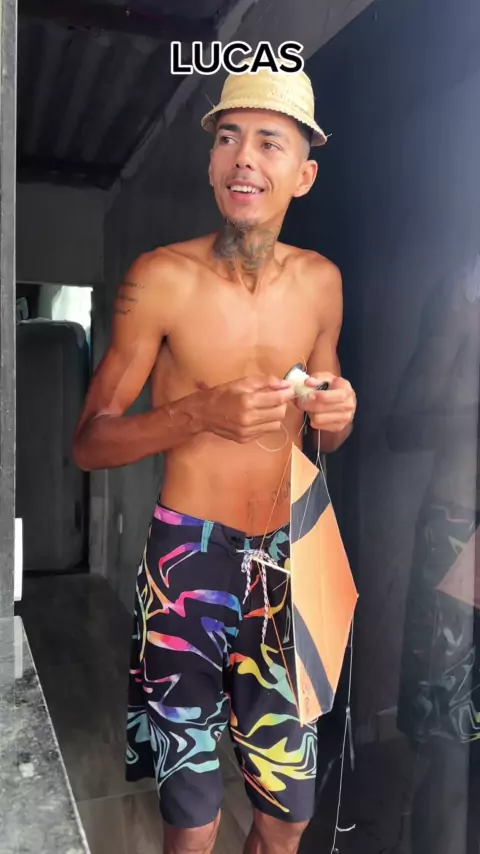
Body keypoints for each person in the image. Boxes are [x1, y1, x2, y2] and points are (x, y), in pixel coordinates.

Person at [73, 60, 357, 854]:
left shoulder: (322, 284)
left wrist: (339, 413)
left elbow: (324, 436)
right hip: (186, 563)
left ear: (302, 175)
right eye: (229, 138)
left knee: (288, 817)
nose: (244, 158)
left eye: (269, 142)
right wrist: (198, 412)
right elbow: (89, 441)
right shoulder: (160, 279)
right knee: (192, 823)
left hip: (286, 564)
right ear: (208, 164)